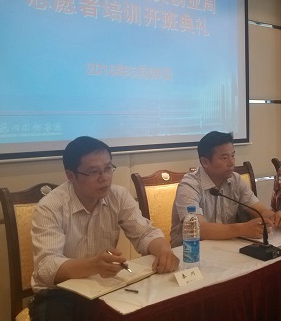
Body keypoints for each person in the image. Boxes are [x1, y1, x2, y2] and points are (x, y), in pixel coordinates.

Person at [30, 136, 179, 321]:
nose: (105, 178)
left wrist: (164, 250)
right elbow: (46, 267)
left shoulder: (118, 196)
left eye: (108, 168)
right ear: (71, 176)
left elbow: (145, 233)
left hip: (103, 288)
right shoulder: (51, 207)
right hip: (60, 295)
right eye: (94, 172)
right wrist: (93, 266)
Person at [170, 131, 281, 248]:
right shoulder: (189, 185)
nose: (231, 162)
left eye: (233, 155)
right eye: (224, 158)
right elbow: (198, 229)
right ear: (205, 162)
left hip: (226, 247)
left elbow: (261, 210)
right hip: (189, 253)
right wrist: (243, 229)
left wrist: (274, 217)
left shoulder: (235, 180)